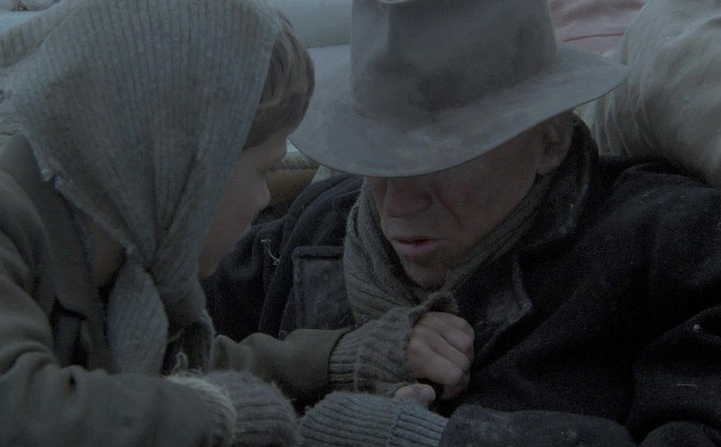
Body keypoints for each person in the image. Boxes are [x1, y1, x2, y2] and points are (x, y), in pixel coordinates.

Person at [203, 0, 721, 445]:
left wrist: (439, 439)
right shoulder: (313, 230)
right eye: (378, 157)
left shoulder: (671, 250)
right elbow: (168, 371)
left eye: (441, 159)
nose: (398, 203)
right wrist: (325, 364)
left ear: (549, 141)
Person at [0, 0, 314, 445]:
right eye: (264, 170)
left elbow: (177, 370)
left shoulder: (116, 278)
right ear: (188, 162)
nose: (265, 199)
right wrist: (213, 414)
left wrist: (334, 359)